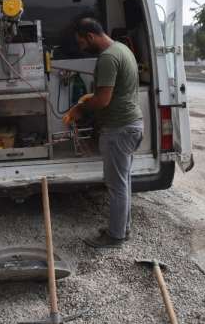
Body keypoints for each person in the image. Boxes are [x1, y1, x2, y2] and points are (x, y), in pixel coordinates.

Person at [63, 18, 144, 248]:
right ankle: (122, 230)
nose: (81, 47)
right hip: (132, 125)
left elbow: (103, 100)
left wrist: (80, 108)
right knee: (124, 182)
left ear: (90, 36)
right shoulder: (122, 49)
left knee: (117, 185)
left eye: (81, 42)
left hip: (119, 129)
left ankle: (115, 237)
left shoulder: (108, 57)